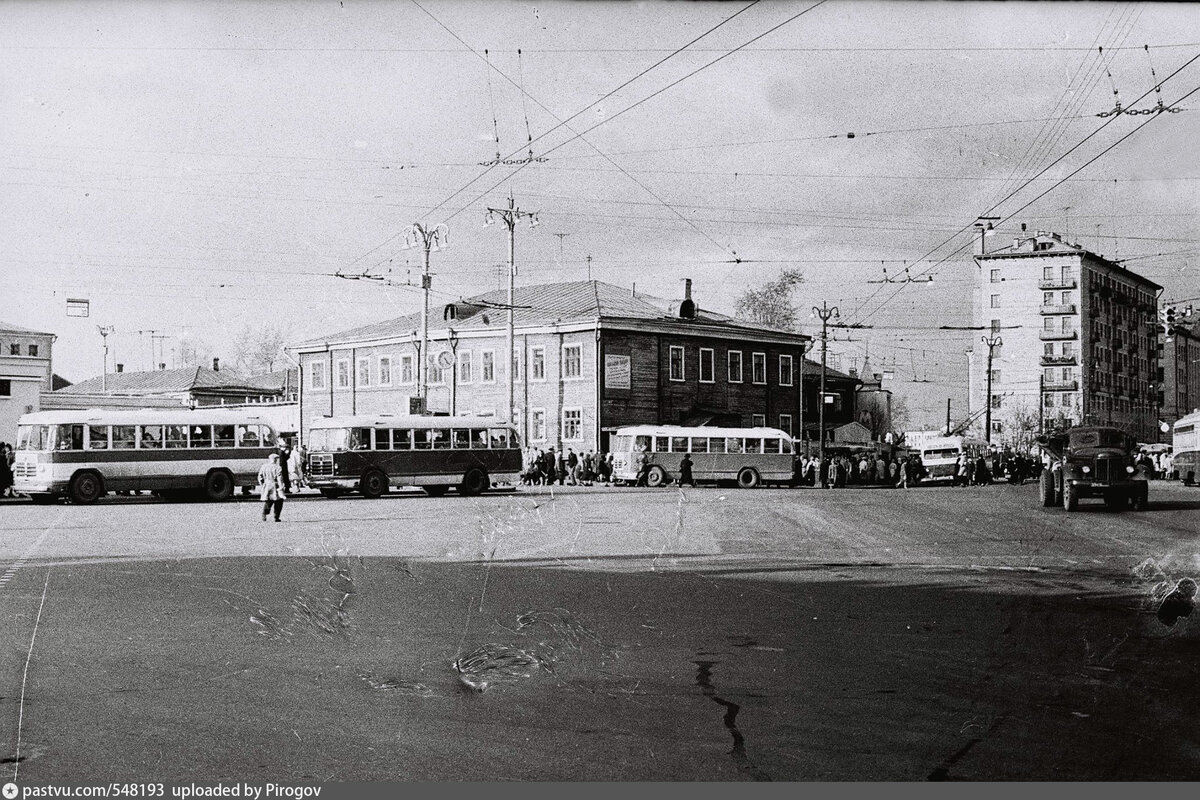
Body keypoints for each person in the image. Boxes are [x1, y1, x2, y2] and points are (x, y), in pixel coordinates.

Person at [257, 453, 286, 522]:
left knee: (268, 501)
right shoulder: (278, 467)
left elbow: (260, 477)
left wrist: (262, 485)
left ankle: (264, 514)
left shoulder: (264, 466)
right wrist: (281, 486)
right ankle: (276, 517)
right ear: (275, 460)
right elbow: (279, 478)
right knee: (278, 501)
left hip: (267, 485)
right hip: (275, 485)